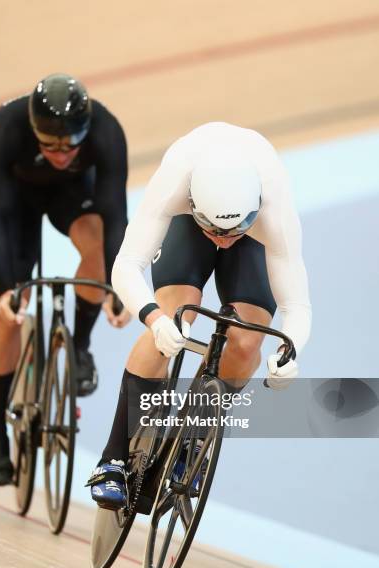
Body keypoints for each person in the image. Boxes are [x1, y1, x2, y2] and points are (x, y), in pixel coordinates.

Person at [88, 122, 312, 509]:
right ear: (193, 203)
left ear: (255, 209)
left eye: (234, 228)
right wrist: (154, 319)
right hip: (188, 228)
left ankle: (192, 442)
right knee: (175, 318)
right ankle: (114, 458)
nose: (224, 239)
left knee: (247, 340)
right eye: (215, 229)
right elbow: (125, 266)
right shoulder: (176, 180)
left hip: (252, 240)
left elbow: (296, 306)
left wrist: (289, 353)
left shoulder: (274, 208)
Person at [0, 73, 130, 486]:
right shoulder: (4, 129)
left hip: (72, 199)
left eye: (70, 144)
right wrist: (3, 289)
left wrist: (120, 287)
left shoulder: (107, 130)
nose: (61, 152)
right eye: (49, 144)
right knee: (6, 314)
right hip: (15, 206)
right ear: (31, 130)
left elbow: (116, 213)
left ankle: (78, 347)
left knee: (99, 248)